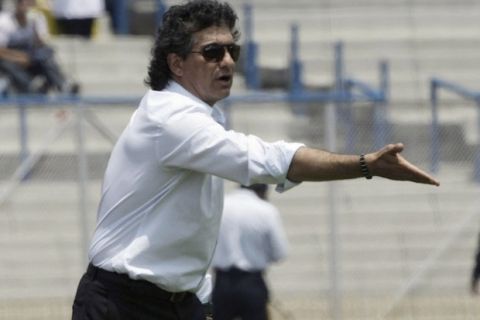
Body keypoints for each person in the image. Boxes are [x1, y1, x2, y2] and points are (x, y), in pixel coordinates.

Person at [70, 1, 440, 319]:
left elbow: (186, 234)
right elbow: (266, 159)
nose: (228, 61)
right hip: (120, 304)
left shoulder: (197, 116)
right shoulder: (171, 118)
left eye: (234, 51)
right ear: (177, 64)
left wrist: (198, 299)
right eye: (213, 52)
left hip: (175, 304)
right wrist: (365, 165)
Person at [212, 184, 288, 320]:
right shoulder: (266, 210)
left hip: (222, 281)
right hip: (252, 282)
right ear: (264, 190)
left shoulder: (220, 205)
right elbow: (279, 253)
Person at [0, 0, 78, 94]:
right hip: (11, 56)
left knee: (46, 54)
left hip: (29, 55)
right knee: (6, 64)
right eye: (25, 4)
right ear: (18, 5)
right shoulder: (4, 21)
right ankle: (31, 86)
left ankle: (62, 84)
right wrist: (20, 57)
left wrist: (35, 29)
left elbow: (41, 45)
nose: (27, 8)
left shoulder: (36, 18)